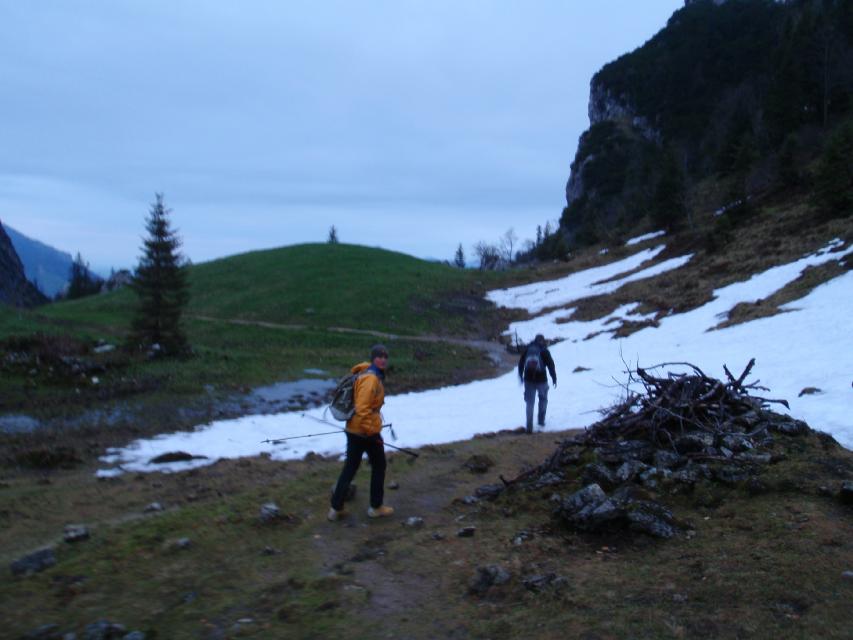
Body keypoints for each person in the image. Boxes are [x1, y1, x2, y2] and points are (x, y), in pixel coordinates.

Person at [328, 344, 395, 521]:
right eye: (379, 356)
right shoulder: (371, 379)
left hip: (354, 428)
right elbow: (363, 408)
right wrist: (371, 432)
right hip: (364, 430)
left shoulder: (366, 374)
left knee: (350, 467)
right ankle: (376, 507)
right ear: (373, 358)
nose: (383, 359)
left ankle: (336, 509)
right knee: (379, 465)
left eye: (385, 356)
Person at [517, 334, 557, 433]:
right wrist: (554, 378)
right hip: (542, 380)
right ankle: (541, 421)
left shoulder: (528, 349)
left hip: (528, 380)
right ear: (542, 341)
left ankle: (529, 427)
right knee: (543, 399)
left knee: (530, 403)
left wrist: (521, 376)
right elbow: (551, 365)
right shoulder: (544, 351)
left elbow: (521, 363)